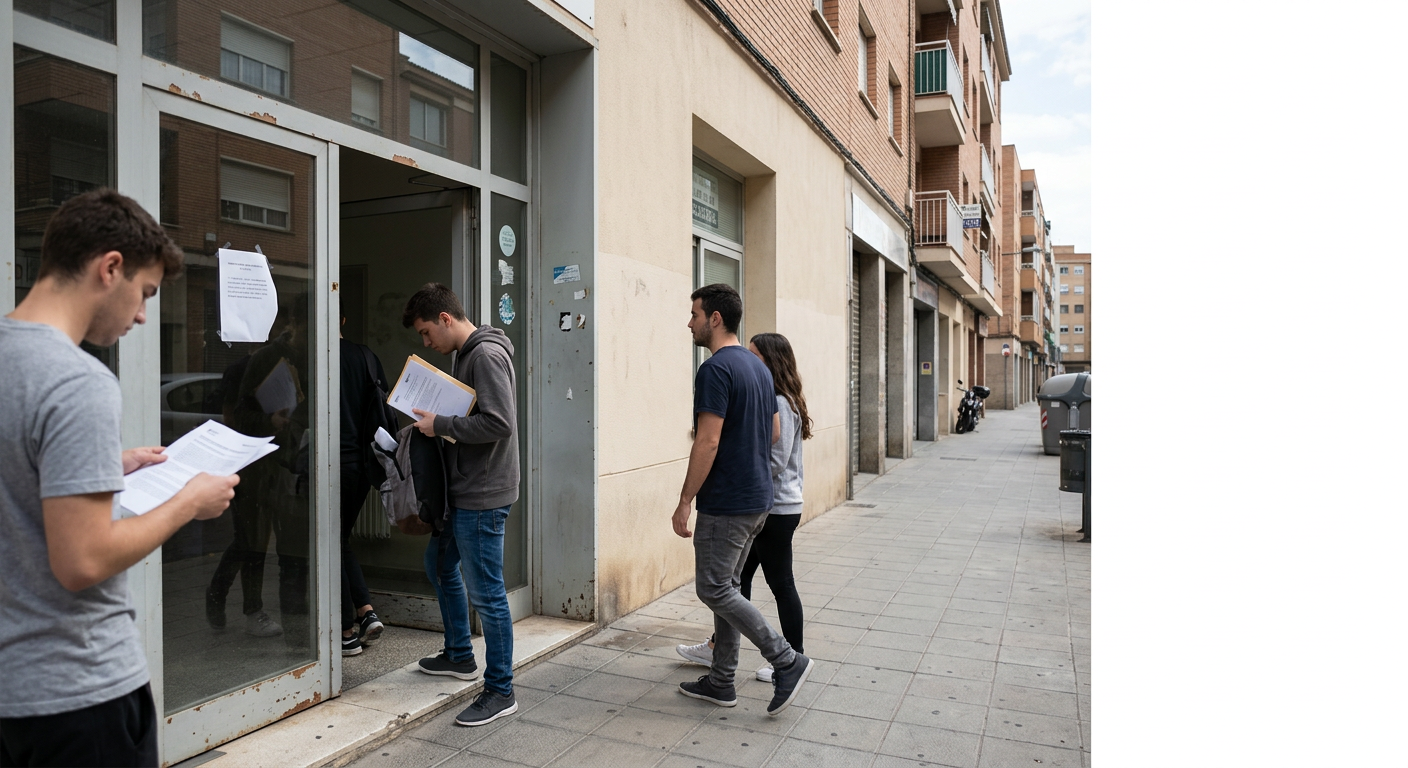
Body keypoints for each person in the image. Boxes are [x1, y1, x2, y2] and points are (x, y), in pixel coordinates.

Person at [0, 189, 238, 767]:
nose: (141, 316)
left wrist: (105, 465)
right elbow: (82, 560)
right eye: (145, 294)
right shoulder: (78, 382)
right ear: (110, 268)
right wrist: (188, 501)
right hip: (76, 695)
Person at [672, 284, 813, 717]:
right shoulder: (757, 369)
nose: (689, 322)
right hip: (758, 500)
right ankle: (720, 681)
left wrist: (684, 500)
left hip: (728, 500)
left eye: (694, 314)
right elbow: (771, 434)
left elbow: (708, 440)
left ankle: (786, 660)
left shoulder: (715, 370)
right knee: (728, 587)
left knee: (713, 588)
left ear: (715, 318)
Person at [401, 283, 520, 727]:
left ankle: (501, 689)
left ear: (445, 319)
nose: (426, 343)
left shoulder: (484, 355)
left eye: (427, 333)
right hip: (465, 491)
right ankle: (458, 654)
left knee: (488, 595)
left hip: (482, 495)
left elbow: (500, 422)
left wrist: (440, 424)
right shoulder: (464, 353)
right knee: (439, 564)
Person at [339, 308, 390, 656]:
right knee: (339, 540)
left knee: (327, 545)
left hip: (328, 465)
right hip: (361, 466)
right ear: (344, 320)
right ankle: (366, 611)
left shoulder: (313, 359)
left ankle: (345, 631)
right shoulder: (366, 357)